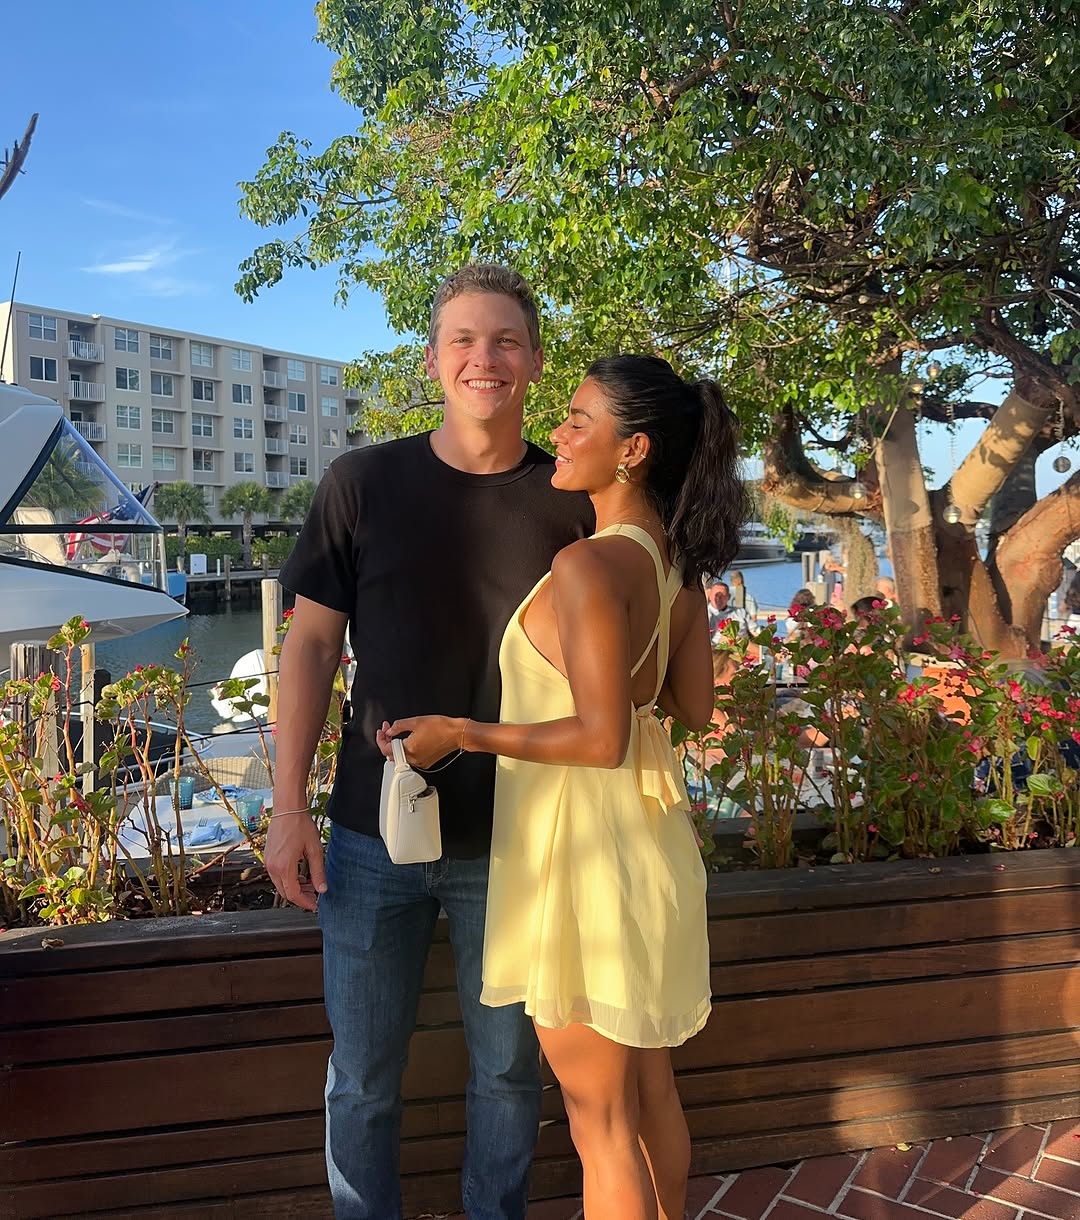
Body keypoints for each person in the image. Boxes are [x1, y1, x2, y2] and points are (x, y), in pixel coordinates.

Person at [380, 354, 747, 1220]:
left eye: (579, 420)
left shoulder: (588, 565)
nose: (559, 433)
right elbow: (691, 706)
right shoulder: (673, 566)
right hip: (646, 849)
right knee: (649, 1095)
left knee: (601, 1126)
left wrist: (459, 732)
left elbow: (599, 737)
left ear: (634, 450)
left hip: (581, 864)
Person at [265, 264, 593, 1220]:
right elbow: (309, 648)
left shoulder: (573, 502)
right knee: (362, 1075)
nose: (484, 358)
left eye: (505, 340)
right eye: (463, 340)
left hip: (519, 838)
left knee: (509, 1073)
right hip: (369, 837)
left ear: (535, 361)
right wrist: (286, 810)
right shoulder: (361, 482)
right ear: (432, 359)